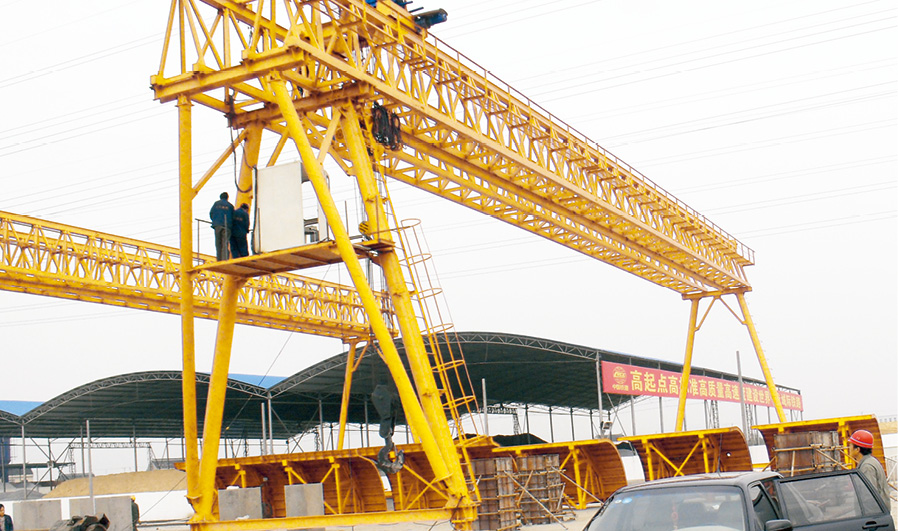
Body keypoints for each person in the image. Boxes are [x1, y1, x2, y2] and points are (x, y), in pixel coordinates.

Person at [848, 429, 890, 506]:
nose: (849, 448)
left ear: (857, 449)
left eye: (851, 445)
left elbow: (869, 496)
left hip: (874, 513)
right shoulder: (870, 461)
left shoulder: (867, 467)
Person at [210, 192, 234, 261]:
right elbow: (233, 216)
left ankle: (219, 259)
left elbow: (211, 213)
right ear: (227, 198)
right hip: (227, 226)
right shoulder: (230, 206)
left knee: (218, 243)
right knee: (225, 243)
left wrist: (215, 221)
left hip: (217, 225)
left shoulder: (216, 204)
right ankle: (225, 258)